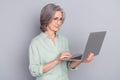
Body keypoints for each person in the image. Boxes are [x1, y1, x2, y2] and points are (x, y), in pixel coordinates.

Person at [29, 3, 94, 80]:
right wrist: (57, 60)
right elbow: (34, 71)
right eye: (55, 19)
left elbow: (68, 65)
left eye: (60, 19)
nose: (59, 23)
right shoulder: (36, 43)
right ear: (46, 19)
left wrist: (82, 60)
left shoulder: (64, 40)